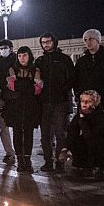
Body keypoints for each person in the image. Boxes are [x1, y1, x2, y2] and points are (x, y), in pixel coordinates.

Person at [35, 33, 75, 172]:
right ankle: (47, 161)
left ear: (54, 42)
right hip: (44, 103)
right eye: (43, 42)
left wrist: (62, 90)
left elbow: (72, 78)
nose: (45, 44)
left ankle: (60, 162)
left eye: (48, 41)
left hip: (60, 102)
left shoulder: (64, 59)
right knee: (45, 135)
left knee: (60, 133)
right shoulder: (39, 61)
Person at [58, 90, 104, 179]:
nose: (85, 104)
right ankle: (85, 167)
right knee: (76, 141)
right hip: (91, 144)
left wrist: (82, 120)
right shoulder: (79, 116)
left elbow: (91, 136)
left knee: (93, 141)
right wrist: (64, 150)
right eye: (83, 101)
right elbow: (71, 133)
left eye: (89, 101)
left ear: (95, 103)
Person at [3, 46, 43, 173]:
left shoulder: (35, 69)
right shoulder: (12, 69)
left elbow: (38, 89)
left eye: (24, 55)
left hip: (31, 107)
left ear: (29, 56)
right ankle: (20, 161)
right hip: (15, 107)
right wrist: (28, 87)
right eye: (19, 56)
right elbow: (11, 86)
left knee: (29, 134)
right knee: (17, 133)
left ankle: (28, 160)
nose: (22, 58)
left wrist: (21, 87)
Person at [0, 39, 17, 165]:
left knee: (18, 127)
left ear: (11, 48)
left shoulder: (17, 62)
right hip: (1, 99)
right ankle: (9, 153)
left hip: (15, 98)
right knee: (3, 127)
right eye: (0, 48)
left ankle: (22, 153)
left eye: (5, 48)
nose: (3, 50)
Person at [74, 29, 104, 104]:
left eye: (90, 39)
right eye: (85, 40)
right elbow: (76, 80)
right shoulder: (81, 61)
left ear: (98, 40)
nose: (88, 42)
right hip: (86, 101)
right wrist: (78, 95)